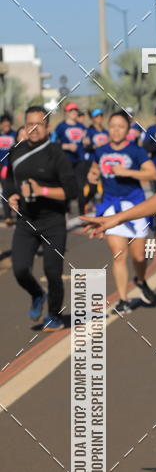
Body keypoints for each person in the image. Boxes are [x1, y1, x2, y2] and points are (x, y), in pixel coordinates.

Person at [4, 106, 77, 330]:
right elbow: (8, 180)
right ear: (24, 126)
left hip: (53, 221)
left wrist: (41, 191)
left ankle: (54, 314)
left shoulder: (56, 154)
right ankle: (37, 294)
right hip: (26, 221)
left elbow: (71, 191)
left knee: (52, 271)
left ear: (47, 127)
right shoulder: (16, 151)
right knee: (20, 269)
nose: (33, 129)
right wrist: (12, 195)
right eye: (29, 124)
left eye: (39, 124)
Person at [87, 110, 156, 313]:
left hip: (135, 206)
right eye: (113, 126)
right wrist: (92, 176)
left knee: (139, 258)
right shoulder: (100, 151)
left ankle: (141, 280)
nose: (116, 130)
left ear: (127, 130)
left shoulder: (136, 151)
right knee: (119, 255)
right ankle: (123, 299)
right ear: (108, 129)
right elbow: (94, 170)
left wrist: (127, 172)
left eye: (121, 126)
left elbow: (152, 173)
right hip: (111, 207)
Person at [52, 102, 89, 215]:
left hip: (79, 160)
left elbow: (86, 140)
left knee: (80, 187)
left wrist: (86, 142)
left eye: (75, 110)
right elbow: (52, 143)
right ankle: (65, 211)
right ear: (66, 113)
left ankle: (82, 214)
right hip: (66, 160)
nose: (74, 113)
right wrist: (66, 146)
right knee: (67, 186)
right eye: (71, 110)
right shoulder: (61, 126)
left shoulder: (82, 126)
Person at [0, 112, 18, 226]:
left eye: (8, 124)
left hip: (8, 166)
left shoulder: (15, 134)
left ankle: (8, 216)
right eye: (4, 124)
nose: (6, 126)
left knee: (7, 190)